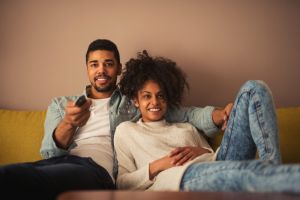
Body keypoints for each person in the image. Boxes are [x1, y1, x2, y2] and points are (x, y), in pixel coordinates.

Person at [0, 39, 231, 199]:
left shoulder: (134, 100)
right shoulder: (61, 105)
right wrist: (69, 123)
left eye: (108, 64)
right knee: (13, 175)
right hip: (57, 166)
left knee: (18, 178)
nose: (101, 70)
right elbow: (49, 154)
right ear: (87, 69)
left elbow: (186, 114)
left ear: (119, 68)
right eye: (94, 64)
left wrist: (220, 115)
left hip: (95, 172)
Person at [114, 50, 300, 192]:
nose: (155, 102)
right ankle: (274, 177)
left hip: (217, 162)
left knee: (254, 88)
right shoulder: (126, 130)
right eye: (147, 96)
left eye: (160, 96)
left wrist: (199, 150)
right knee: (248, 172)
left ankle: (271, 164)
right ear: (135, 100)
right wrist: (160, 164)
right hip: (181, 178)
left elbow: (211, 156)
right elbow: (122, 183)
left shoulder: (185, 127)